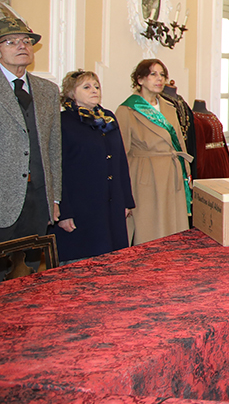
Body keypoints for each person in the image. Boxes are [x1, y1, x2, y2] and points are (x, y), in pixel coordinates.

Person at [0, 18, 62, 251]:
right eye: (11, 42)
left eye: (26, 41)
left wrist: (54, 198)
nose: (22, 46)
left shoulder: (48, 90)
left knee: (33, 277)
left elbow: (53, 148)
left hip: (38, 200)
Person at [57, 70, 135, 261]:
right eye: (87, 87)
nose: (94, 90)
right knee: (81, 265)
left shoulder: (107, 118)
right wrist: (63, 212)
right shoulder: (63, 122)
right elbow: (57, 170)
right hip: (80, 206)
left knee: (113, 261)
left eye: (97, 86)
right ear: (71, 93)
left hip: (111, 202)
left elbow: (120, 161)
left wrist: (126, 201)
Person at [116, 59, 192, 244]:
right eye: (153, 74)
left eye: (162, 75)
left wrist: (186, 173)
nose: (159, 79)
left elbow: (179, 143)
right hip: (145, 176)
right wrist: (123, 191)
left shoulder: (170, 108)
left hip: (172, 172)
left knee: (173, 225)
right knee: (150, 227)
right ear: (140, 79)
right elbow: (121, 154)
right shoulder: (127, 110)